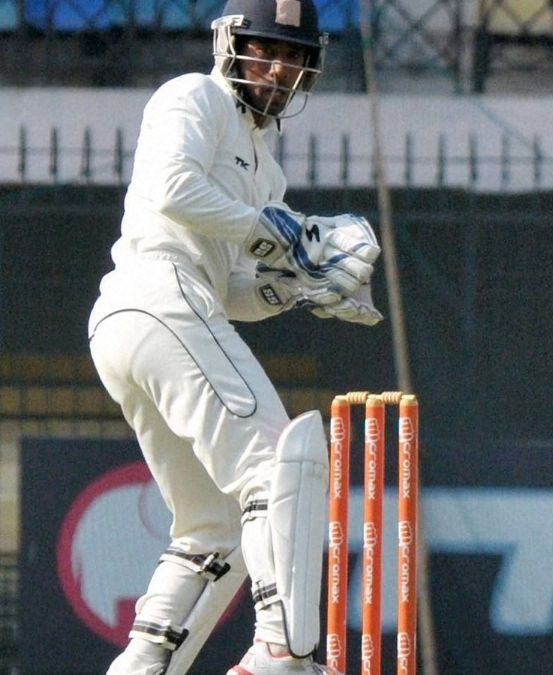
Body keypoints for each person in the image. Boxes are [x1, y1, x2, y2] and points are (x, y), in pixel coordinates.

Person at [88, 0, 382, 672]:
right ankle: (279, 650)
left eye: (292, 57)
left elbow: (235, 292)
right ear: (230, 45)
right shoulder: (193, 96)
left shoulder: (267, 171)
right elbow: (172, 190)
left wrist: (299, 285)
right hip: (157, 294)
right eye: (264, 50)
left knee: (212, 525)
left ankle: (144, 662)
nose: (277, 69)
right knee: (277, 465)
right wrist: (288, 234)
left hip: (160, 316)